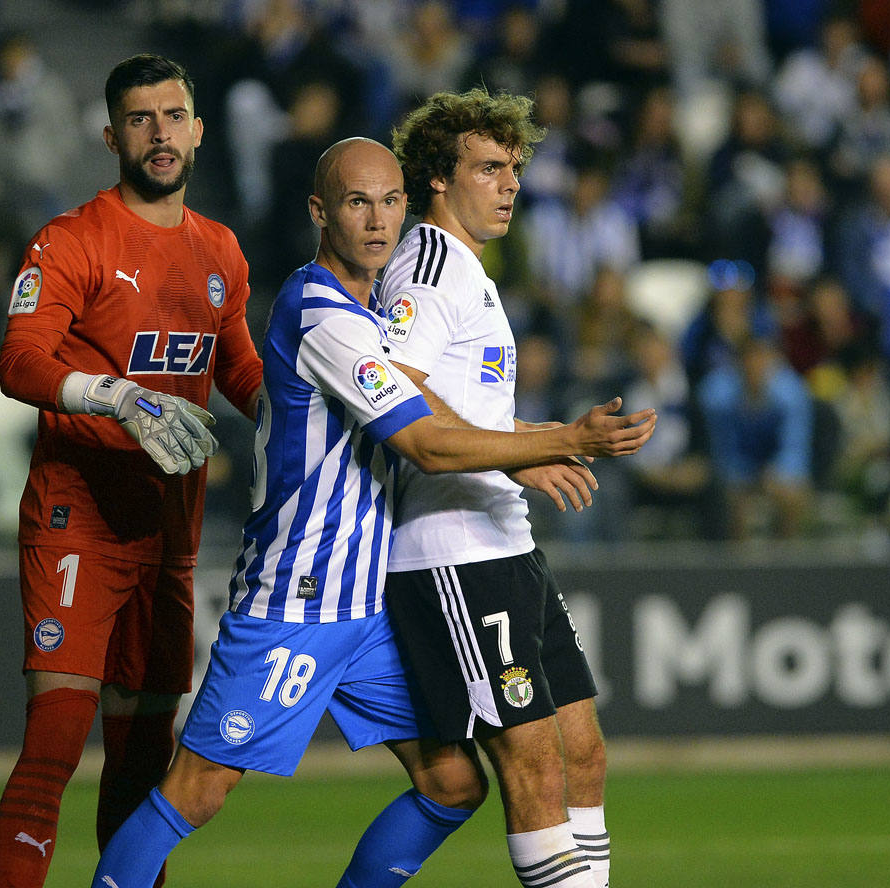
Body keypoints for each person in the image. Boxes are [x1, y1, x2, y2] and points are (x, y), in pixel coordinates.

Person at [91, 136, 655, 888]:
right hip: (297, 598)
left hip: (369, 610)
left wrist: (528, 442)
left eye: (391, 200)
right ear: (321, 211)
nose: (379, 219)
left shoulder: (376, 311)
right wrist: (564, 437)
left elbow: (429, 412)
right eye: (358, 202)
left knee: (454, 785)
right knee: (197, 790)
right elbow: (423, 442)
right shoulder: (324, 316)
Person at [0, 54, 264, 888]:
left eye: (173, 116)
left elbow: (240, 373)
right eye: (140, 120)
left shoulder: (218, 249)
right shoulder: (72, 239)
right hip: (78, 520)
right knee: (55, 746)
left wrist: (321, 420)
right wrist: (111, 395)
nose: (159, 134)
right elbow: (19, 362)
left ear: (198, 129)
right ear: (112, 135)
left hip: (166, 536)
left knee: (145, 763)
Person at [377, 87, 651, 888]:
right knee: (529, 764)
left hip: (505, 538)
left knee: (581, 753)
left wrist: (537, 443)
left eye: (515, 168)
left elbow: (462, 408)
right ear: (436, 177)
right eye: (490, 168)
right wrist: (546, 443)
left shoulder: (469, 270)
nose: (510, 185)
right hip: (449, 549)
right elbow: (391, 390)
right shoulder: (428, 265)